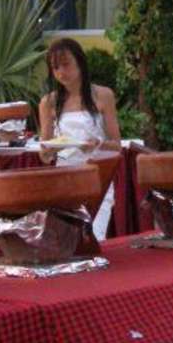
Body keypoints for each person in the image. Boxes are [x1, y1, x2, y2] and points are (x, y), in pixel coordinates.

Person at [38, 37, 122, 237]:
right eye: (55, 68)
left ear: (80, 63)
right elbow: (44, 155)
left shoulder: (103, 95)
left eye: (66, 64)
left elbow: (117, 145)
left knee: (95, 234)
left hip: (97, 174)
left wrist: (98, 144)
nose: (61, 72)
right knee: (69, 238)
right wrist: (51, 149)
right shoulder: (48, 102)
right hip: (64, 175)